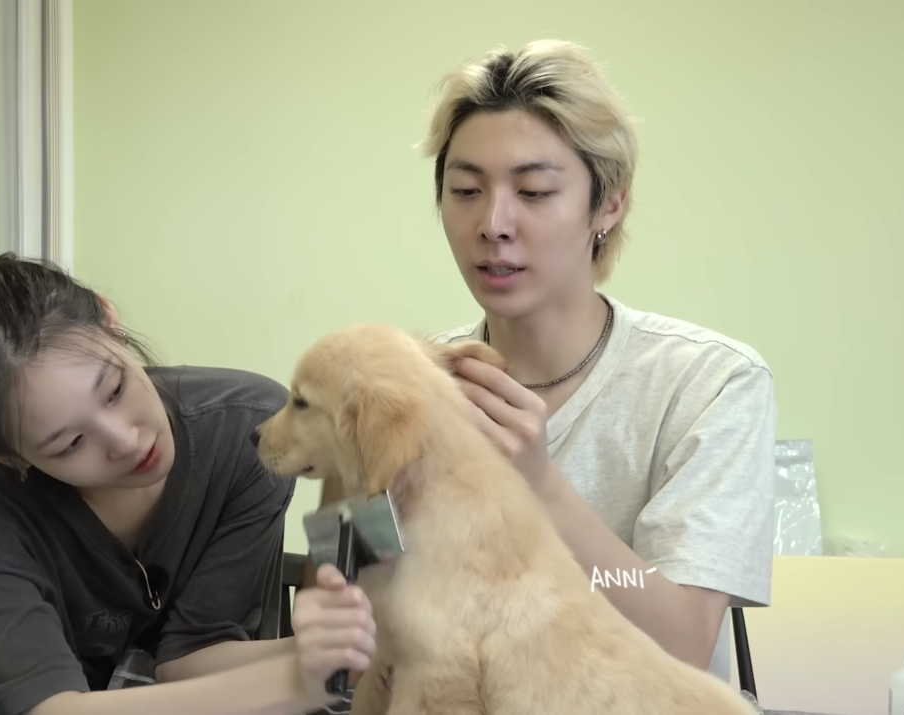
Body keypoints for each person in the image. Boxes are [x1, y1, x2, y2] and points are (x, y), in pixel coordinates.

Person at [320, 39, 777, 689]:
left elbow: (682, 638)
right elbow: (341, 637)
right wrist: (357, 488)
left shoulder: (709, 382)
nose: (494, 222)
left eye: (534, 191)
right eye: (465, 189)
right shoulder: (407, 388)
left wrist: (538, 484)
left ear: (609, 202)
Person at [0, 254, 376, 715]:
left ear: (109, 320)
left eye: (115, 389)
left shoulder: (244, 431)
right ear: (7, 455)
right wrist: (292, 681)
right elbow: (52, 708)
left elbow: (191, 655)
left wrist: (338, 648)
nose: (126, 441)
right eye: (71, 443)